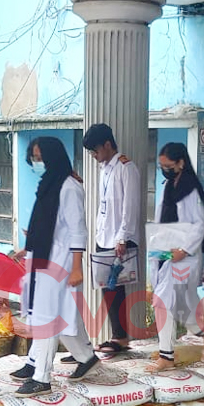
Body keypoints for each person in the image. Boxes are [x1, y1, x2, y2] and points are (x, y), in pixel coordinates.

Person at [8, 138, 99, 395]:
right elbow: (45, 224)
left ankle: (42, 377)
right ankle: (84, 357)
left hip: (60, 260)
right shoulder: (48, 184)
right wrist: (29, 246)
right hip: (42, 256)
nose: (36, 163)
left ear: (53, 156)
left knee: (48, 316)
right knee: (54, 314)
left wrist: (77, 268)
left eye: (40, 157)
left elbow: (77, 231)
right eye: (34, 158)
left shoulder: (69, 187)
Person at [148, 142, 204, 371]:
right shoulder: (168, 187)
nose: (164, 169)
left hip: (184, 257)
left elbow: (201, 223)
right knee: (184, 308)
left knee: (163, 302)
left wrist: (184, 250)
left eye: (168, 165)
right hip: (167, 253)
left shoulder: (190, 190)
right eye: (161, 166)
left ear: (180, 163)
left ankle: (167, 356)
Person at [83, 124, 142, 356]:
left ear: (108, 145)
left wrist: (122, 237)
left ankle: (121, 337)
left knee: (117, 290)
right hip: (104, 236)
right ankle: (117, 335)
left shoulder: (126, 168)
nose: (95, 156)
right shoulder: (105, 168)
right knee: (107, 290)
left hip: (119, 238)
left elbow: (130, 206)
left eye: (96, 151)